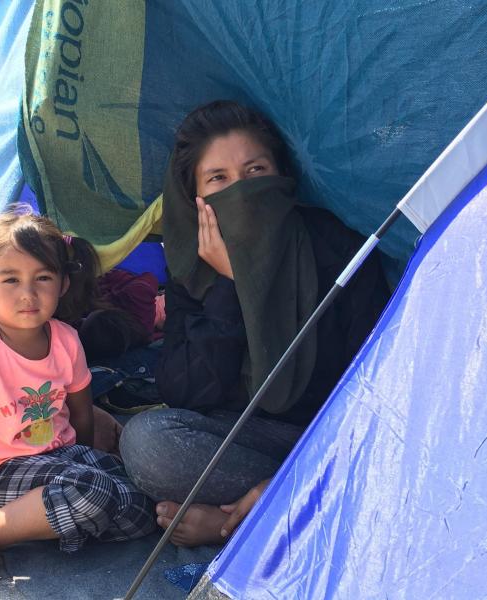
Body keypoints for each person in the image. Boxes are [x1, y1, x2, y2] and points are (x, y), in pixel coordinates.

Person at [120, 100, 390, 547]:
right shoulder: (195, 266)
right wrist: (231, 285)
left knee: (376, 464)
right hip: (246, 438)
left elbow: (375, 389)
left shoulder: (337, 248)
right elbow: (183, 391)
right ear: (196, 199)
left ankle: (256, 511)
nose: (240, 191)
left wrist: (295, 474)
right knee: (147, 442)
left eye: (255, 171)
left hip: (329, 439)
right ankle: (283, 505)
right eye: (218, 179)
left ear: (282, 177)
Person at [0, 208, 157, 595]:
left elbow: (81, 416)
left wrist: (87, 466)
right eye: (11, 280)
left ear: (63, 285)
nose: (28, 294)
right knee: (93, 492)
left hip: (59, 459)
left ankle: (57, 516)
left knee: (143, 509)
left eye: (43, 278)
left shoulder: (66, 339)